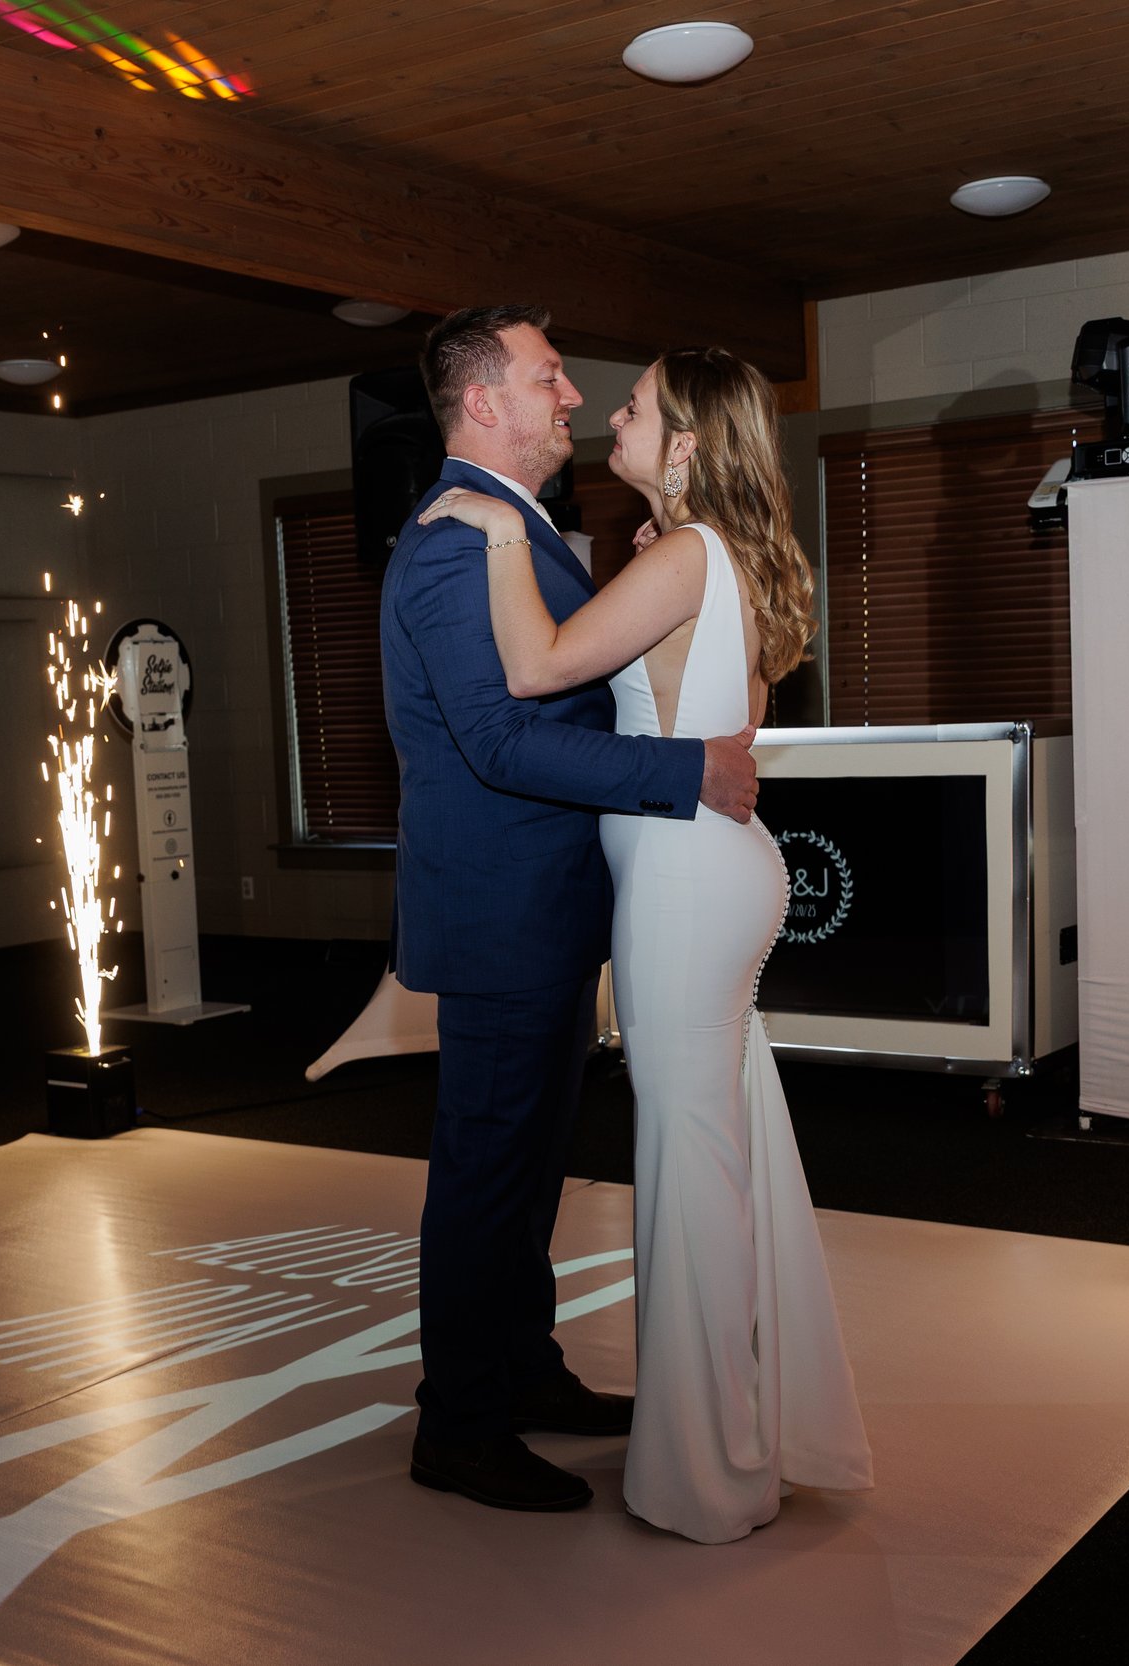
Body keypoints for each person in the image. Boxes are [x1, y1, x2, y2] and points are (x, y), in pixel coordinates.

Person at [417, 343, 874, 1543]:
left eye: (634, 405)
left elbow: (532, 670)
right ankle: (740, 1431)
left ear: (686, 443)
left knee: (689, 1171)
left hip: (681, 885)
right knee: (721, 1155)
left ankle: (710, 1472)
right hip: (718, 873)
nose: (603, 411)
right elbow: (719, 713)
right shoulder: (717, 551)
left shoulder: (680, 554)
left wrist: (501, 533)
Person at [381, 305, 761, 1514]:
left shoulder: (523, 527)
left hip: (543, 909)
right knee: (487, 1175)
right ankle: (460, 1425)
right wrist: (683, 770)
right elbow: (501, 741)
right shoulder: (455, 543)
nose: (572, 397)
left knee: (530, 1168)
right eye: (548, 377)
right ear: (482, 401)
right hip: (501, 915)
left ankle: (522, 1371)